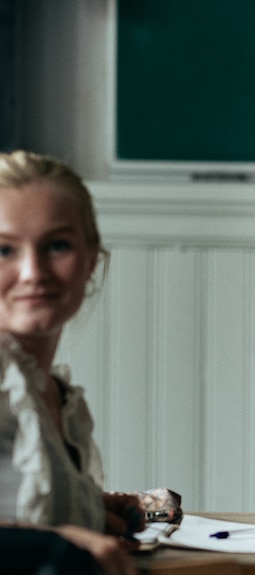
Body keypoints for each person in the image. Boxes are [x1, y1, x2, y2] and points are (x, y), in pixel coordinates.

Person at [0, 150, 142, 575]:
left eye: (57, 245)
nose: (33, 272)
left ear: (91, 258)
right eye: (5, 249)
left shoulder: (57, 396)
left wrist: (83, 508)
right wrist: (51, 544)